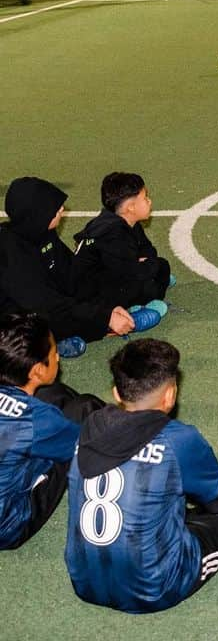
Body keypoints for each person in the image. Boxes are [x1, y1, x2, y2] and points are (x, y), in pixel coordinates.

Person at [65, 338, 218, 613]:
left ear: (115, 393)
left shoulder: (90, 426)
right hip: (156, 587)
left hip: (84, 581)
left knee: (165, 505)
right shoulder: (178, 439)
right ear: (170, 395)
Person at [0, 177, 136, 357]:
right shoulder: (9, 252)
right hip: (15, 318)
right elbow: (45, 304)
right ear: (37, 215)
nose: (61, 209)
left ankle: (114, 320)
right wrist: (104, 317)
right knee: (39, 328)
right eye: (55, 209)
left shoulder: (43, 233)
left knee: (105, 286)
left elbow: (72, 275)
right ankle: (65, 337)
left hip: (48, 301)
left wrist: (106, 305)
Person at [0, 312, 103, 549]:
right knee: (86, 410)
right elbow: (82, 446)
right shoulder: (37, 419)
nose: (57, 356)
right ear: (37, 370)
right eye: (53, 352)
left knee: (53, 394)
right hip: (9, 525)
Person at [71, 172, 172, 310]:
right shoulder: (114, 234)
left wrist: (147, 263)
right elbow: (130, 274)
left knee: (160, 267)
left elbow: (147, 248)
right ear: (130, 207)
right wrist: (148, 265)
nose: (149, 201)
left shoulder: (126, 222)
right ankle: (126, 314)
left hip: (107, 278)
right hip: (93, 293)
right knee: (154, 280)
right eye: (145, 197)